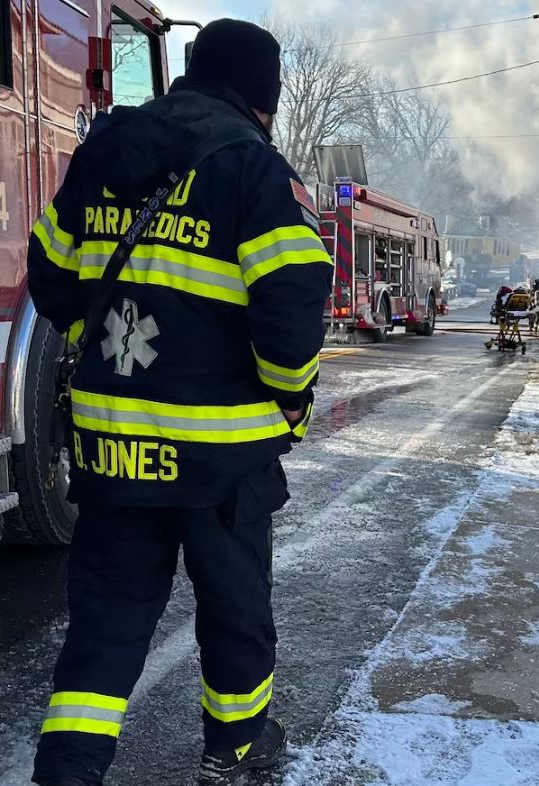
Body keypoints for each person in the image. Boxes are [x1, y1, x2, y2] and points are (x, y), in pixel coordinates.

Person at [26, 19, 332, 786]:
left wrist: (99, 351)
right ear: (264, 95)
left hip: (113, 446)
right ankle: (231, 753)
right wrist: (290, 401)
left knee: (106, 619)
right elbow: (291, 305)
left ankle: (68, 769)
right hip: (220, 460)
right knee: (233, 611)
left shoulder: (104, 152)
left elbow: (52, 273)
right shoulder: (254, 169)